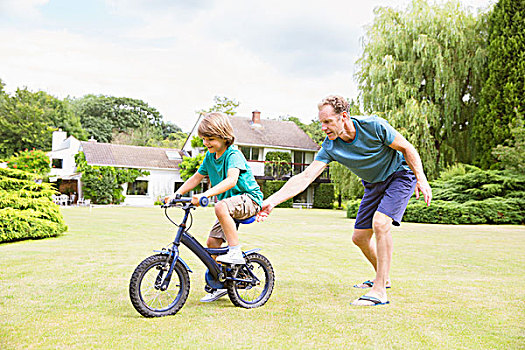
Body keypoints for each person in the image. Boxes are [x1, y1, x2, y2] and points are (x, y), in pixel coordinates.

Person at [257, 95, 432, 306]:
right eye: (321, 122)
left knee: (380, 223)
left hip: (400, 174)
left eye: (328, 122)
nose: (323, 127)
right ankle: (383, 278)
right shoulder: (331, 146)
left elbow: (407, 148)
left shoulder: (374, 127)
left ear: (344, 117)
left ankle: (379, 292)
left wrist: (421, 179)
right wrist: (273, 201)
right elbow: (305, 177)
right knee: (359, 238)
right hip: (373, 183)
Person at [165, 112, 263, 303]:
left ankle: (235, 251)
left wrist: (204, 195)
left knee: (220, 205)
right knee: (212, 243)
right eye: (204, 139)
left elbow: (231, 180)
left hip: (250, 200)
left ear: (224, 136)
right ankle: (221, 284)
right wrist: (177, 195)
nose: (206, 143)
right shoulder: (210, 157)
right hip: (228, 206)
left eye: (210, 139)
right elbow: (196, 178)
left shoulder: (234, 154)